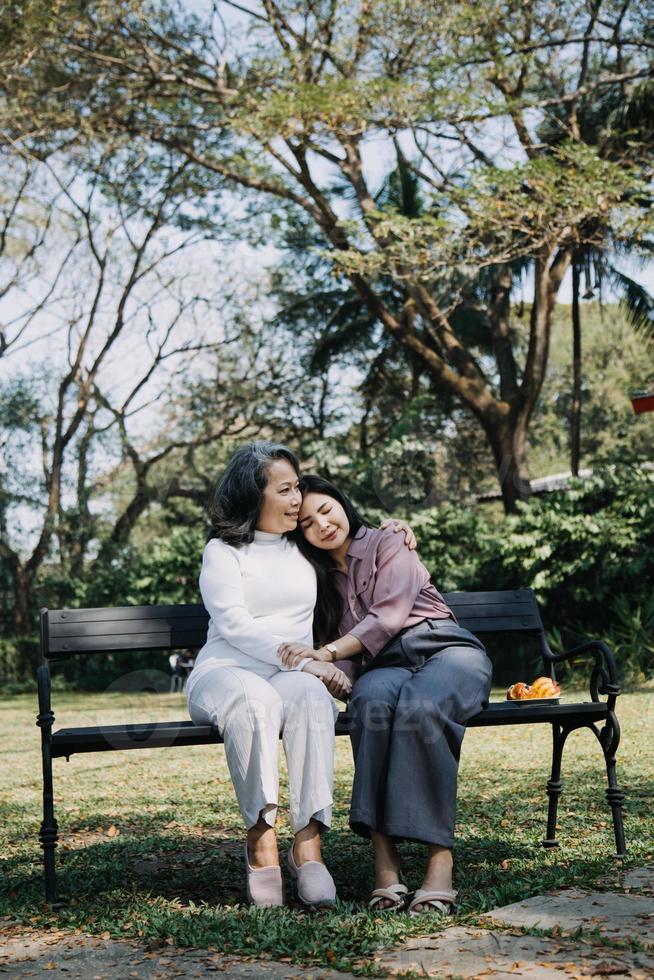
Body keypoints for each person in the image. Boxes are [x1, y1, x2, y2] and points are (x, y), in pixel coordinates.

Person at [187, 442, 414, 908]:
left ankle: (308, 843)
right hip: (227, 671)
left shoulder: (302, 544)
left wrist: (393, 531)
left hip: (290, 676)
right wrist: (309, 662)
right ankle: (261, 842)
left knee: (311, 698)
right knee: (257, 702)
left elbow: (350, 543)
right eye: (286, 490)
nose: (297, 500)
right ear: (254, 495)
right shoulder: (223, 551)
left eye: (297, 488)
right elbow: (233, 624)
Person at [279, 475, 493, 916]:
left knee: (423, 707)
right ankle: (385, 868)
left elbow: (390, 614)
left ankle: (439, 864)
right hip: (383, 668)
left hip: (442, 647)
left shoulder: (388, 541)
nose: (322, 524)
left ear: (342, 504)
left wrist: (327, 651)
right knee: (369, 706)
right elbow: (341, 662)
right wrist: (328, 670)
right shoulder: (314, 583)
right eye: (306, 523)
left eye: (326, 509)